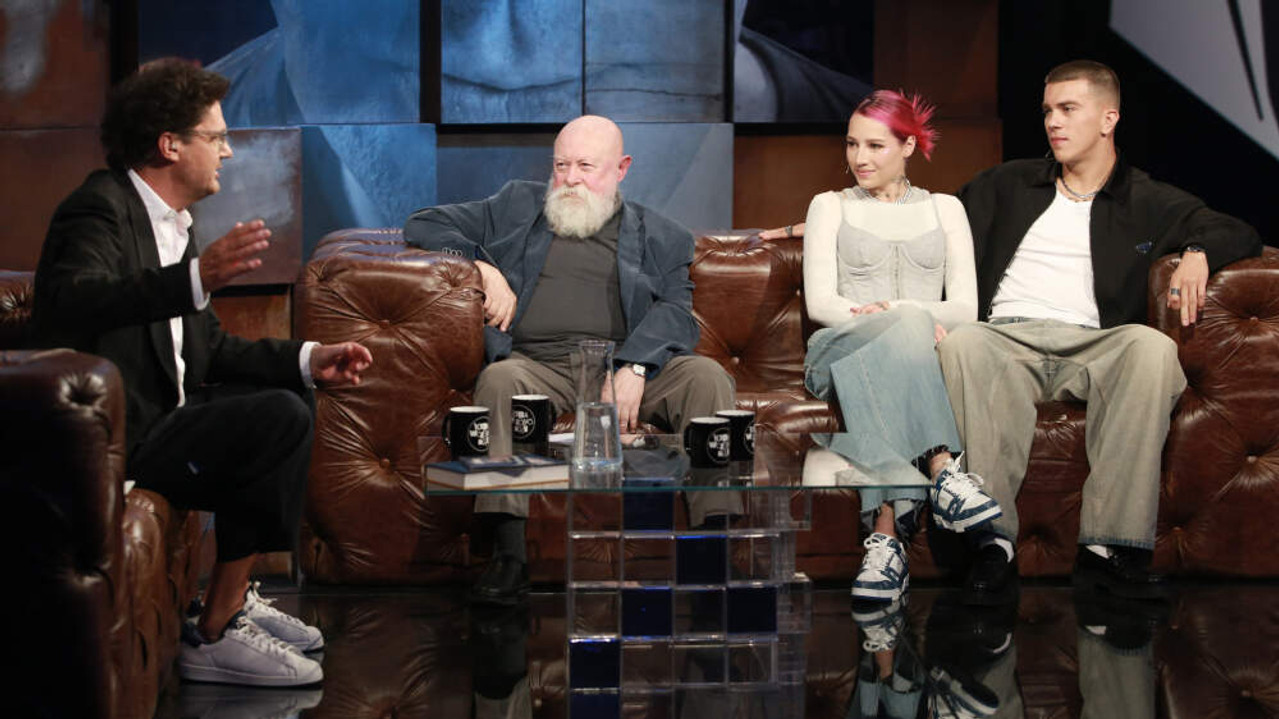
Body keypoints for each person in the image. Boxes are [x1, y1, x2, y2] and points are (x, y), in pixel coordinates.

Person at [31, 59, 372, 687]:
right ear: (170, 145)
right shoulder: (98, 208)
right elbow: (74, 301)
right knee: (277, 417)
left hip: (166, 422)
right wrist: (195, 278)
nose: (228, 151)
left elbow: (209, 349)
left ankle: (233, 601)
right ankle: (215, 631)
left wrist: (309, 358)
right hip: (121, 435)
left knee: (291, 396)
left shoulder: (175, 224)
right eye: (215, 137)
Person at [939, 60, 1261, 604]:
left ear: (1109, 118)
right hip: (1004, 337)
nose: (1053, 122)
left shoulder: (1147, 198)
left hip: (1094, 342)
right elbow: (927, 222)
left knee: (1150, 348)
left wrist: (1198, 251)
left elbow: (1237, 229)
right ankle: (991, 545)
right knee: (965, 342)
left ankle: (1109, 550)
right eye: (1048, 111)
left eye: (1069, 109)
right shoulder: (1007, 183)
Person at [404, 115, 736, 606]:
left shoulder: (662, 235)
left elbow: (676, 312)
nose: (571, 179)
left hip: (623, 369)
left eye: (585, 166)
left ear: (621, 168)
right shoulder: (518, 205)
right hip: (540, 368)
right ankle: (508, 557)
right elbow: (423, 223)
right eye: (561, 166)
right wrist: (482, 266)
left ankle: (712, 554)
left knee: (706, 377)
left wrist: (635, 366)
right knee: (500, 379)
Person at [800, 90, 1004, 607]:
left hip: (908, 362)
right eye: (852, 144)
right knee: (906, 326)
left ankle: (886, 539)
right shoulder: (829, 205)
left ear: (908, 146)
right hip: (838, 349)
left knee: (901, 345)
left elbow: (965, 308)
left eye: (875, 146)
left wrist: (900, 313)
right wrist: (903, 318)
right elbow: (822, 304)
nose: (859, 158)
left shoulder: (945, 208)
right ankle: (943, 470)